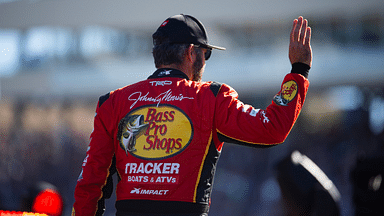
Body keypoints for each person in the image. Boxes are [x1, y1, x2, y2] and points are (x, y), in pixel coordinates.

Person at [72, 14, 312, 216]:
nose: (205, 61)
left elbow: (90, 183)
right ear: (190, 53)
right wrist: (299, 71)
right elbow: (270, 127)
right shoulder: (211, 98)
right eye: (205, 54)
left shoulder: (113, 102)